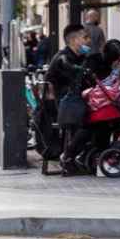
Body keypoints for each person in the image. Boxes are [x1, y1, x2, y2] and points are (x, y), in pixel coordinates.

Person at [45, 24, 92, 175]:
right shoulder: (63, 59)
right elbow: (76, 81)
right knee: (92, 123)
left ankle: (84, 156)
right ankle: (69, 157)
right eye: (85, 37)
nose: (88, 41)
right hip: (64, 105)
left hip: (75, 102)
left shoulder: (80, 57)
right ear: (74, 40)